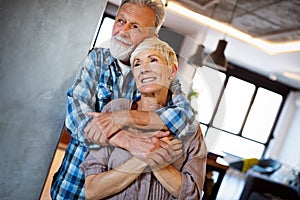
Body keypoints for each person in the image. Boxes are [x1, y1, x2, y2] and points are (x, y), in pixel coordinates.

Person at [51, 0, 197, 199]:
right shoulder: (97, 60)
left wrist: (121, 118)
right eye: (121, 21)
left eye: (135, 26)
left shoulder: (163, 76)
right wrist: (129, 141)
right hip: (73, 188)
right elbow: (76, 118)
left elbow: (185, 118)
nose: (123, 30)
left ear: (152, 36)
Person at [80, 37, 207, 200]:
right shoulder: (114, 110)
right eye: (137, 64)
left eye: (153, 60)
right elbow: (92, 191)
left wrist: (155, 160)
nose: (144, 69)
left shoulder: (189, 128)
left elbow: (192, 195)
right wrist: (143, 157)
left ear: (172, 71)